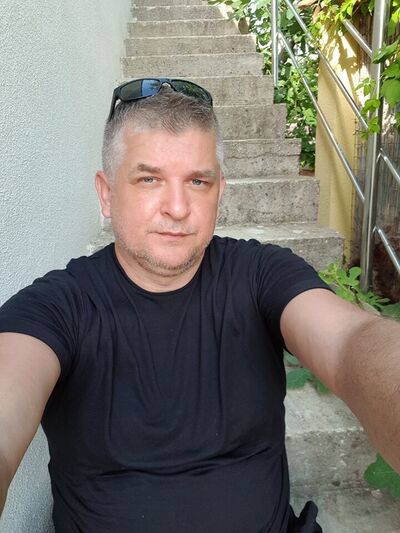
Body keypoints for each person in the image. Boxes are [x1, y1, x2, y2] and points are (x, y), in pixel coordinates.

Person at [0, 78, 399, 533]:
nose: (177, 207)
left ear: (219, 192)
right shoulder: (58, 306)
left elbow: (350, 341)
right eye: (149, 179)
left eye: (197, 181)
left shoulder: (261, 274)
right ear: (107, 194)